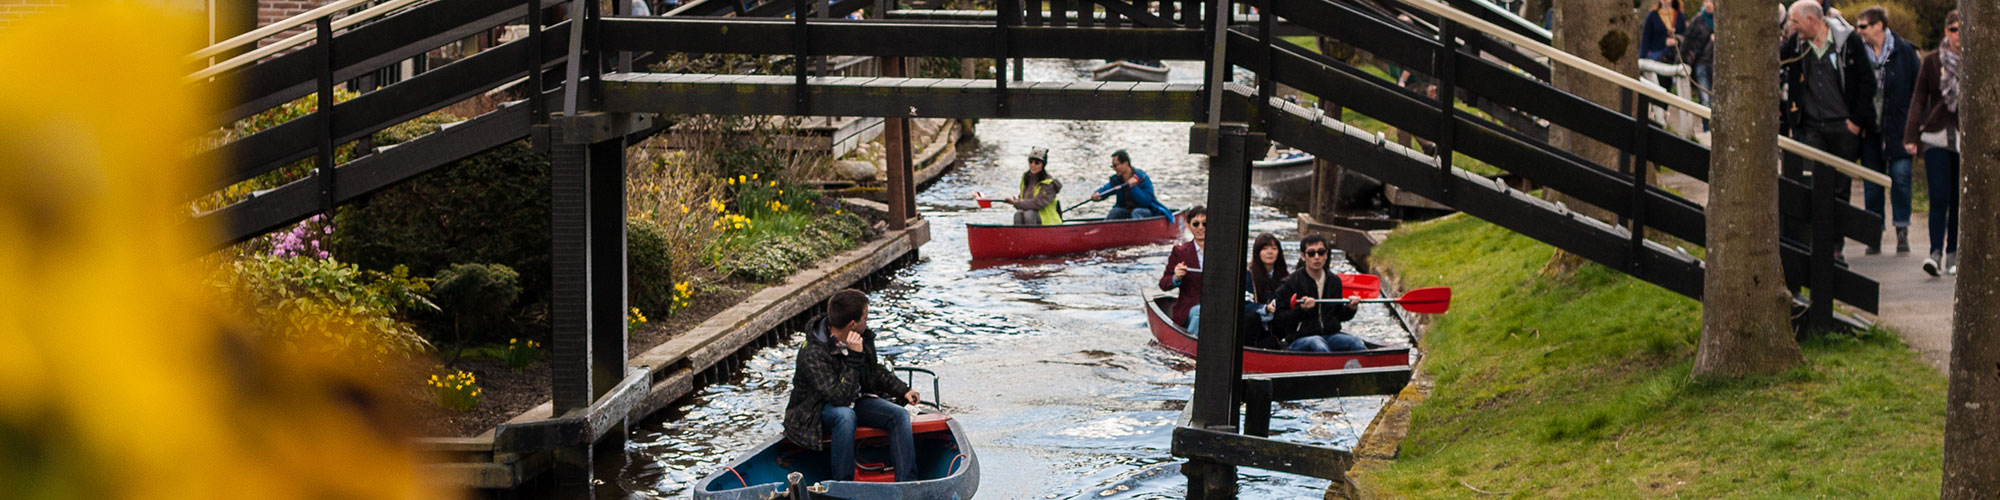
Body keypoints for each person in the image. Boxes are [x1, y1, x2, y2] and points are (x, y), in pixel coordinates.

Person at [782, 289, 922, 482]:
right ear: (852, 324)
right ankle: (843, 485)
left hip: (855, 399)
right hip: (815, 411)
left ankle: (907, 484)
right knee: (845, 417)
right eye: (865, 318)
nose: (867, 321)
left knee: (898, 415)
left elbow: (874, 371)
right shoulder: (813, 353)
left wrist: (904, 390)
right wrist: (855, 357)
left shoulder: (860, 338)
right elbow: (840, 398)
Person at [1779, 0, 1874, 261]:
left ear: (1812, 20)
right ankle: (1816, 245)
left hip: (1843, 126)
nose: (1791, 27)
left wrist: (1856, 120)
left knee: (1840, 189)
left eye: (1795, 21)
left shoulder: (1847, 42)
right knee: (1816, 185)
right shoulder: (1796, 44)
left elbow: (1868, 80)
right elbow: (1774, 63)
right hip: (1812, 127)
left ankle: (1836, 248)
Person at [1853, 6, 1921, 255]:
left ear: (1879, 25)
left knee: (1901, 179)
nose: (1859, 31)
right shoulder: (1858, 52)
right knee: (1872, 184)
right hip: (1870, 129)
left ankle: (1902, 230)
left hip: (1899, 127)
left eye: (1863, 26)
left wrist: (1916, 127)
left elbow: (1918, 91)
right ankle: (1874, 234)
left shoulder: (1905, 52)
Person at [1904, 10, 1962, 276]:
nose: (1957, 35)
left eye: (1962, 29)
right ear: (1945, 31)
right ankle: (1934, 253)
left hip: (1965, 140)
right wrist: (1911, 136)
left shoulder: (1980, 61)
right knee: (1939, 197)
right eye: (1953, 29)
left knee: (1959, 199)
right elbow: (1918, 98)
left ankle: (1953, 253)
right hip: (1936, 136)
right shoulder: (1932, 61)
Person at [1270, 234, 1369, 352]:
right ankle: (1330, 367)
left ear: (1326, 255)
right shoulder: (1290, 283)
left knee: (1356, 342)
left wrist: (1351, 308)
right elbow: (1279, 319)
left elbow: (1339, 315)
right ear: (1303, 256)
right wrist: (1301, 309)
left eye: (1321, 252)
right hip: (1300, 339)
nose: (1316, 257)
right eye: (1311, 253)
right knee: (1319, 345)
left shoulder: (1334, 281)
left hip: (1331, 335)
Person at [1159, 207, 1206, 333]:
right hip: (1190, 308)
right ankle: (1192, 345)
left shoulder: (1221, 252)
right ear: (1189, 226)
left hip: (1219, 306)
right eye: (1196, 224)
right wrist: (1176, 277)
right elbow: (1164, 284)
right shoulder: (1180, 252)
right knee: (1200, 312)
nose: (1200, 227)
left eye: (1205, 223)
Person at [1093, 149, 1172, 220]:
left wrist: (1134, 187)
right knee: (1115, 212)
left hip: (1146, 211)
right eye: (1112, 166)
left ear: (1126, 164)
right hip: (1127, 210)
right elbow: (1106, 189)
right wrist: (1098, 194)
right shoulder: (1116, 180)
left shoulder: (1142, 178)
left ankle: (1138, 234)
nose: (1114, 168)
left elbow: (1146, 202)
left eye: (1116, 165)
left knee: (1136, 212)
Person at [1246, 233, 1291, 349]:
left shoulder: (1285, 276)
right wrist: (1266, 308)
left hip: (1276, 324)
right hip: (1254, 324)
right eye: (1265, 248)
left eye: (1274, 248)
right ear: (1258, 252)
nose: (1270, 252)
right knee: (1250, 317)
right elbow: (1245, 303)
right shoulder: (1248, 274)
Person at [1008, 147, 1063, 226]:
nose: (1033, 165)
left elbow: (1037, 204)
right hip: (1033, 217)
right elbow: (1023, 201)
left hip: (1049, 223)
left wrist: (1016, 202)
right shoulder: (1025, 178)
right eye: (1031, 162)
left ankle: (1032, 237)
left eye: (1037, 163)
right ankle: (1020, 237)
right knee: (1018, 214)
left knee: (1029, 214)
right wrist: (1016, 201)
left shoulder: (1049, 184)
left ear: (1043, 165)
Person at [1639, 0, 1686, 90]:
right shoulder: (1652, 15)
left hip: (1671, 58)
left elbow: (1685, 36)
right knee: (1656, 85)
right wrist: (1642, 58)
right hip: (1655, 55)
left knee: (1666, 85)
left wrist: (1676, 41)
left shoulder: (1679, 16)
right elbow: (1646, 37)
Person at [1682, 0, 1716, 106]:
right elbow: (1688, 41)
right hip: (1702, 62)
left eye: (1711, 1)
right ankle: (1705, 123)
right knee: (1705, 99)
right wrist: (1684, 61)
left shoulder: (1723, 21)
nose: (1708, 4)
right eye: (1706, 1)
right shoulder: (1698, 20)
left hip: (1716, 64)